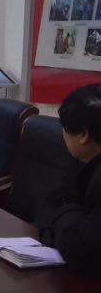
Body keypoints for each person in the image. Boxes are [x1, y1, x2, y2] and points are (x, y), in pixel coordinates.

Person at [35, 84, 101, 276]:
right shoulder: (84, 163)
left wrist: (61, 218)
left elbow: (81, 250)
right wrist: (71, 217)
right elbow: (49, 203)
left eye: (64, 128)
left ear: (83, 135)